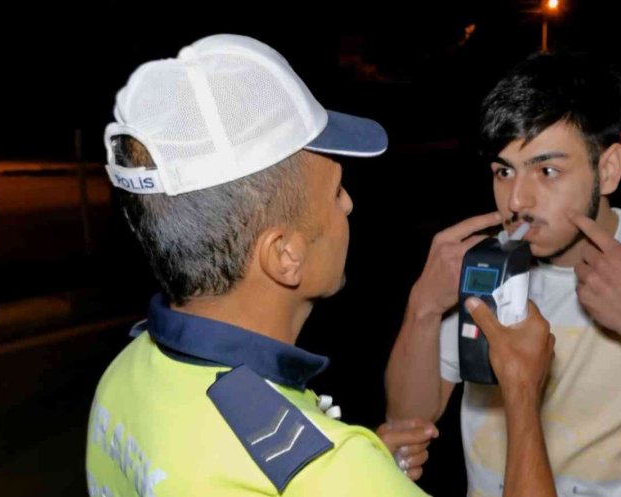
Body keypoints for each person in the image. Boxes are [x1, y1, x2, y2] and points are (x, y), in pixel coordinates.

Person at [86, 34, 557, 497]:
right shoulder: (329, 474)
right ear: (285, 255)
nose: (349, 205)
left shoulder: (126, 372)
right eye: (335, 192)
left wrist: (363, 461)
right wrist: (519, 390)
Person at [385, 51, 621, 497]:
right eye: (504, 171)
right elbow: (411, 427)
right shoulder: (482, 265)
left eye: (548, 170)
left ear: (607, 169)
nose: (518, 201)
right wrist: (423, 308)